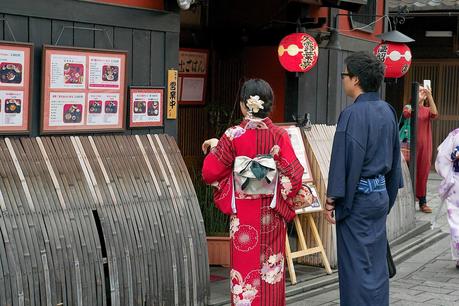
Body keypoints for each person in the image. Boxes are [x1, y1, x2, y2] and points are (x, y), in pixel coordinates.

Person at [201, 79, 304, 306]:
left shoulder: (233, 135)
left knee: (245, 271)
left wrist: (217, 147)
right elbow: (294, 178)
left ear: (242, 105)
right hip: (272, 213)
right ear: (271, 106)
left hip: (244, 216)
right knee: (271, 272)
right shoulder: (279, 135)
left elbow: (210, 173)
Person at [325, 52, 403, 306]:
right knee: (375, 264)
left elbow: (342, 161)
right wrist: (386, 196)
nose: (343, 80)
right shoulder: (387, 110)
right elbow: (394, 157)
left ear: (355, 79)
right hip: (379, 195)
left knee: (355, 267)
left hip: (357, 200)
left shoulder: (352, 114)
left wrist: (332, 200)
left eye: (344, 75)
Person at [402, 85, 439, 213]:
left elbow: (435, 114)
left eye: (423, 90)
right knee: (408, 172)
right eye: (419, 90)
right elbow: (406, 114)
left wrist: (429, 96)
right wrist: (417, 101)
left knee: (423, 172)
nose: (422, 92)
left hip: (425, 146)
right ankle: (407, 201)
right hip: (410, 146)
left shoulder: (427, 109)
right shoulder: (409, 107)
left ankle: (423, 202)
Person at [435, 128, 459, 269]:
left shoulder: (456, 134)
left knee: (456, 219)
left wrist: (447, 175)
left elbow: (441, 159)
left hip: (457, 182)